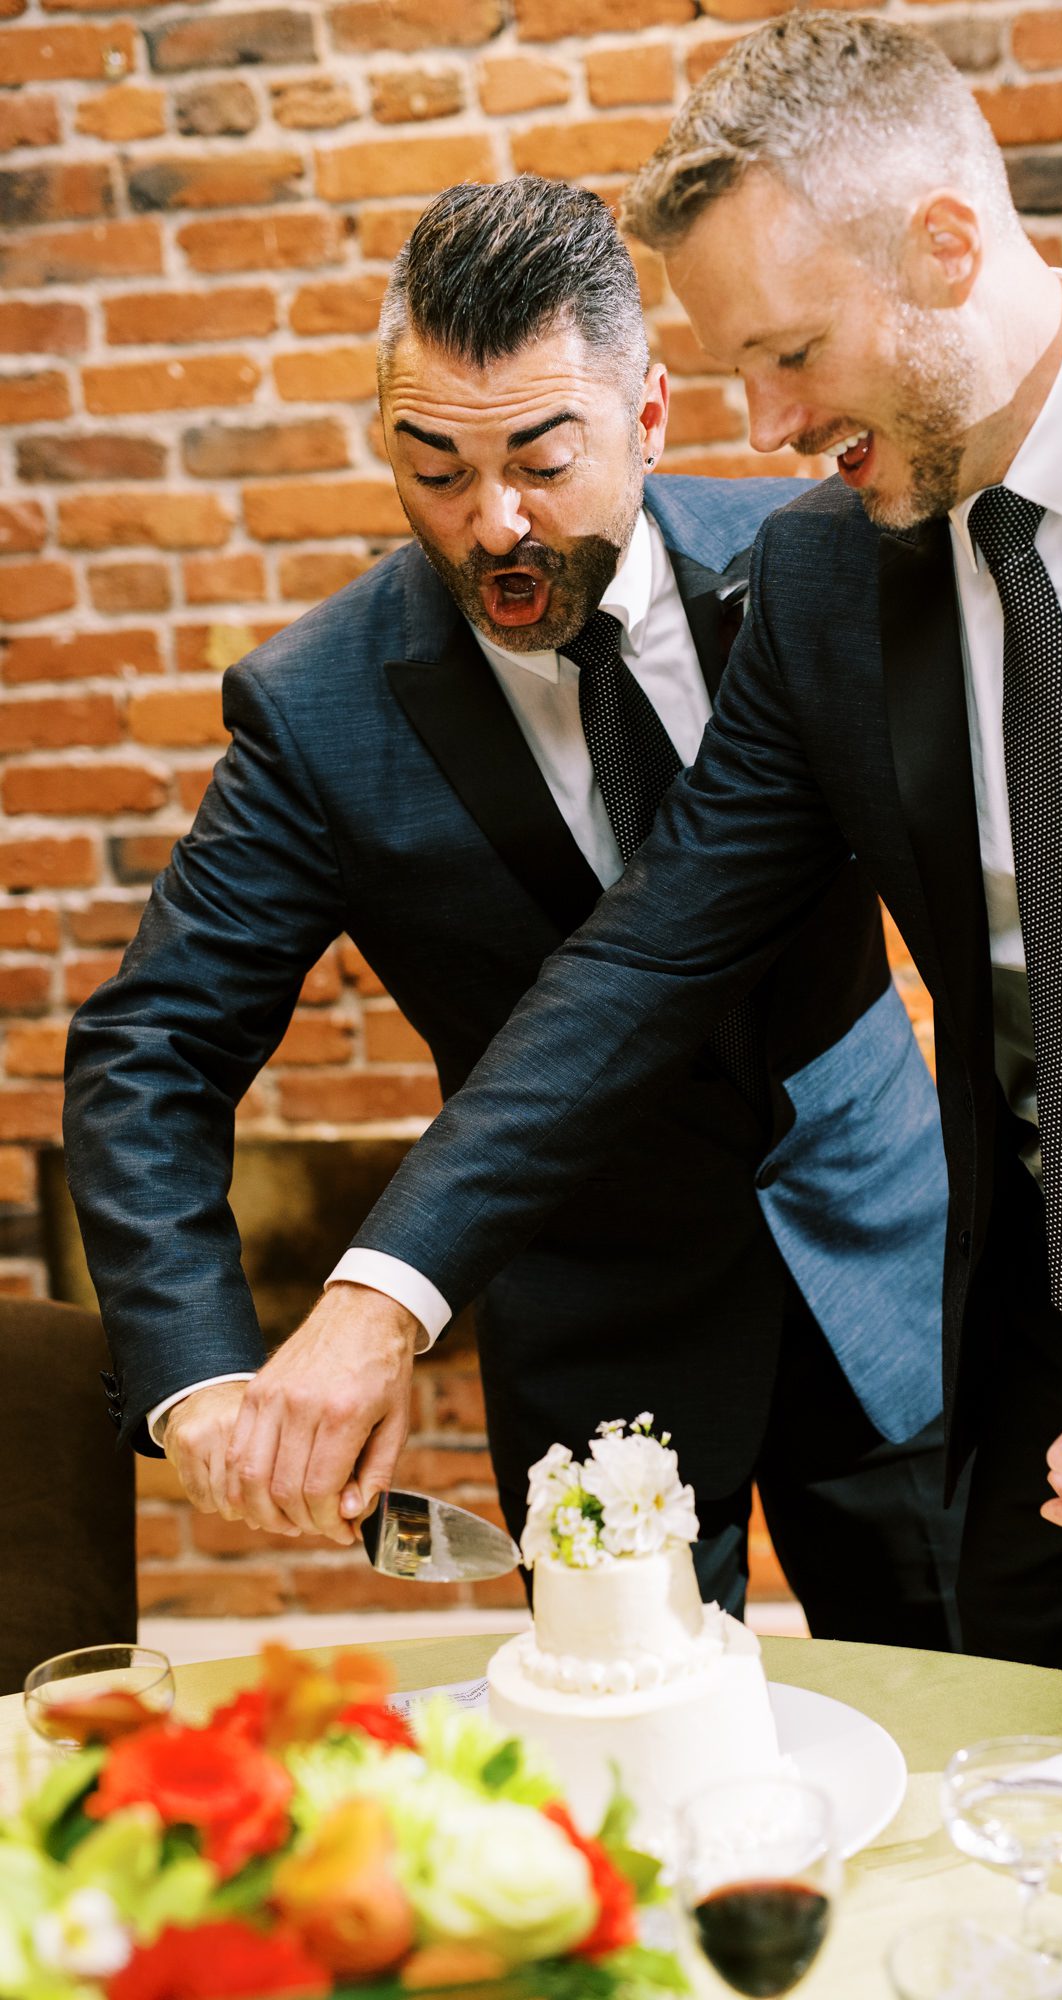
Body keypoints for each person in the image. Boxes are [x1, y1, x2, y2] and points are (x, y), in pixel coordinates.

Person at [64, 176, 962, 1645]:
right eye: (434, 471)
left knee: (968, 1703)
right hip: (594, 1317)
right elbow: (148, 1048)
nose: (494, 528)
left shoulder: (821, 560)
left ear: (652, 413)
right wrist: (198, 1372)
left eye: (545, 462)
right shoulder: (318, 711)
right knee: (629, 1774)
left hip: (881, 1247)